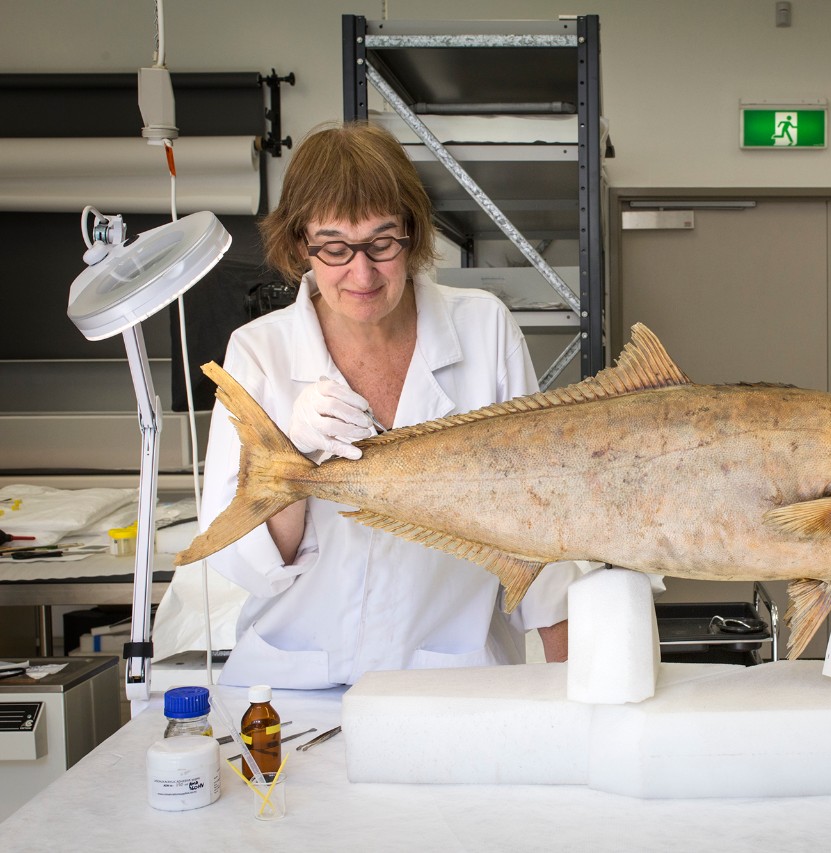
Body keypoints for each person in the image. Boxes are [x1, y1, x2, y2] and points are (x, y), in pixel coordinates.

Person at [198, 122, 578, 689]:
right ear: (302, 243)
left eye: (381, 243)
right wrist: (288, 470)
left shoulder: (482, 329)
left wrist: (573, 696)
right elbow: (241, 562)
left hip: (452, 686)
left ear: (413, 233)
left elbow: (539, 515)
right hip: (297, 683)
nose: (362, 272)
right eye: (334, 247)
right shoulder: (260, 352)